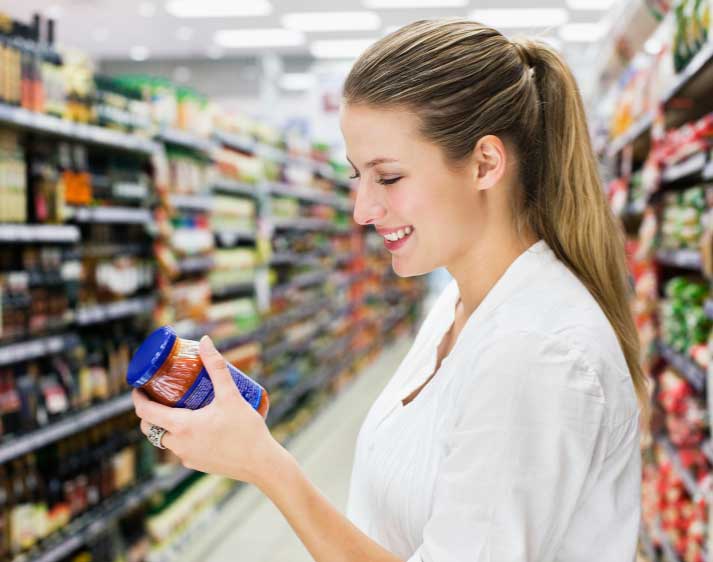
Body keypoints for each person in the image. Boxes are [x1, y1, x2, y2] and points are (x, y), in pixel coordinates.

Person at [132, 19, 646, 562]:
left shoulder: (537, 354)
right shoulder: (459, 305)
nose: (362, 210)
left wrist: (264, 465)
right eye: (357, 177)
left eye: (390, 177)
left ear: (485, 164)